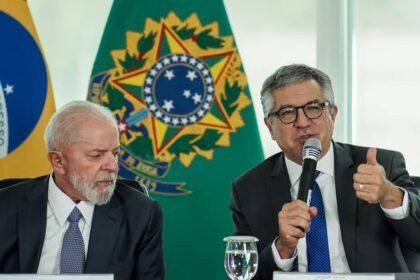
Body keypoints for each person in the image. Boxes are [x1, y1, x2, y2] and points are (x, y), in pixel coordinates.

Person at [230, 64, 420, 279]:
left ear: (333, 114)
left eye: (313, 108)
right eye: (287, 113)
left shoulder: (382, 165)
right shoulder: (249, 189)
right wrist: (283, 247)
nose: (302, 123)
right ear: (270, 127)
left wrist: (390, 195)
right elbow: (246, 275)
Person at [0, 100, 165, 280]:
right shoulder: (5, 207)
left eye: (115, 153)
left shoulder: (140, 214)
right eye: (97, 155)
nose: (112, 166)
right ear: (58, 161)